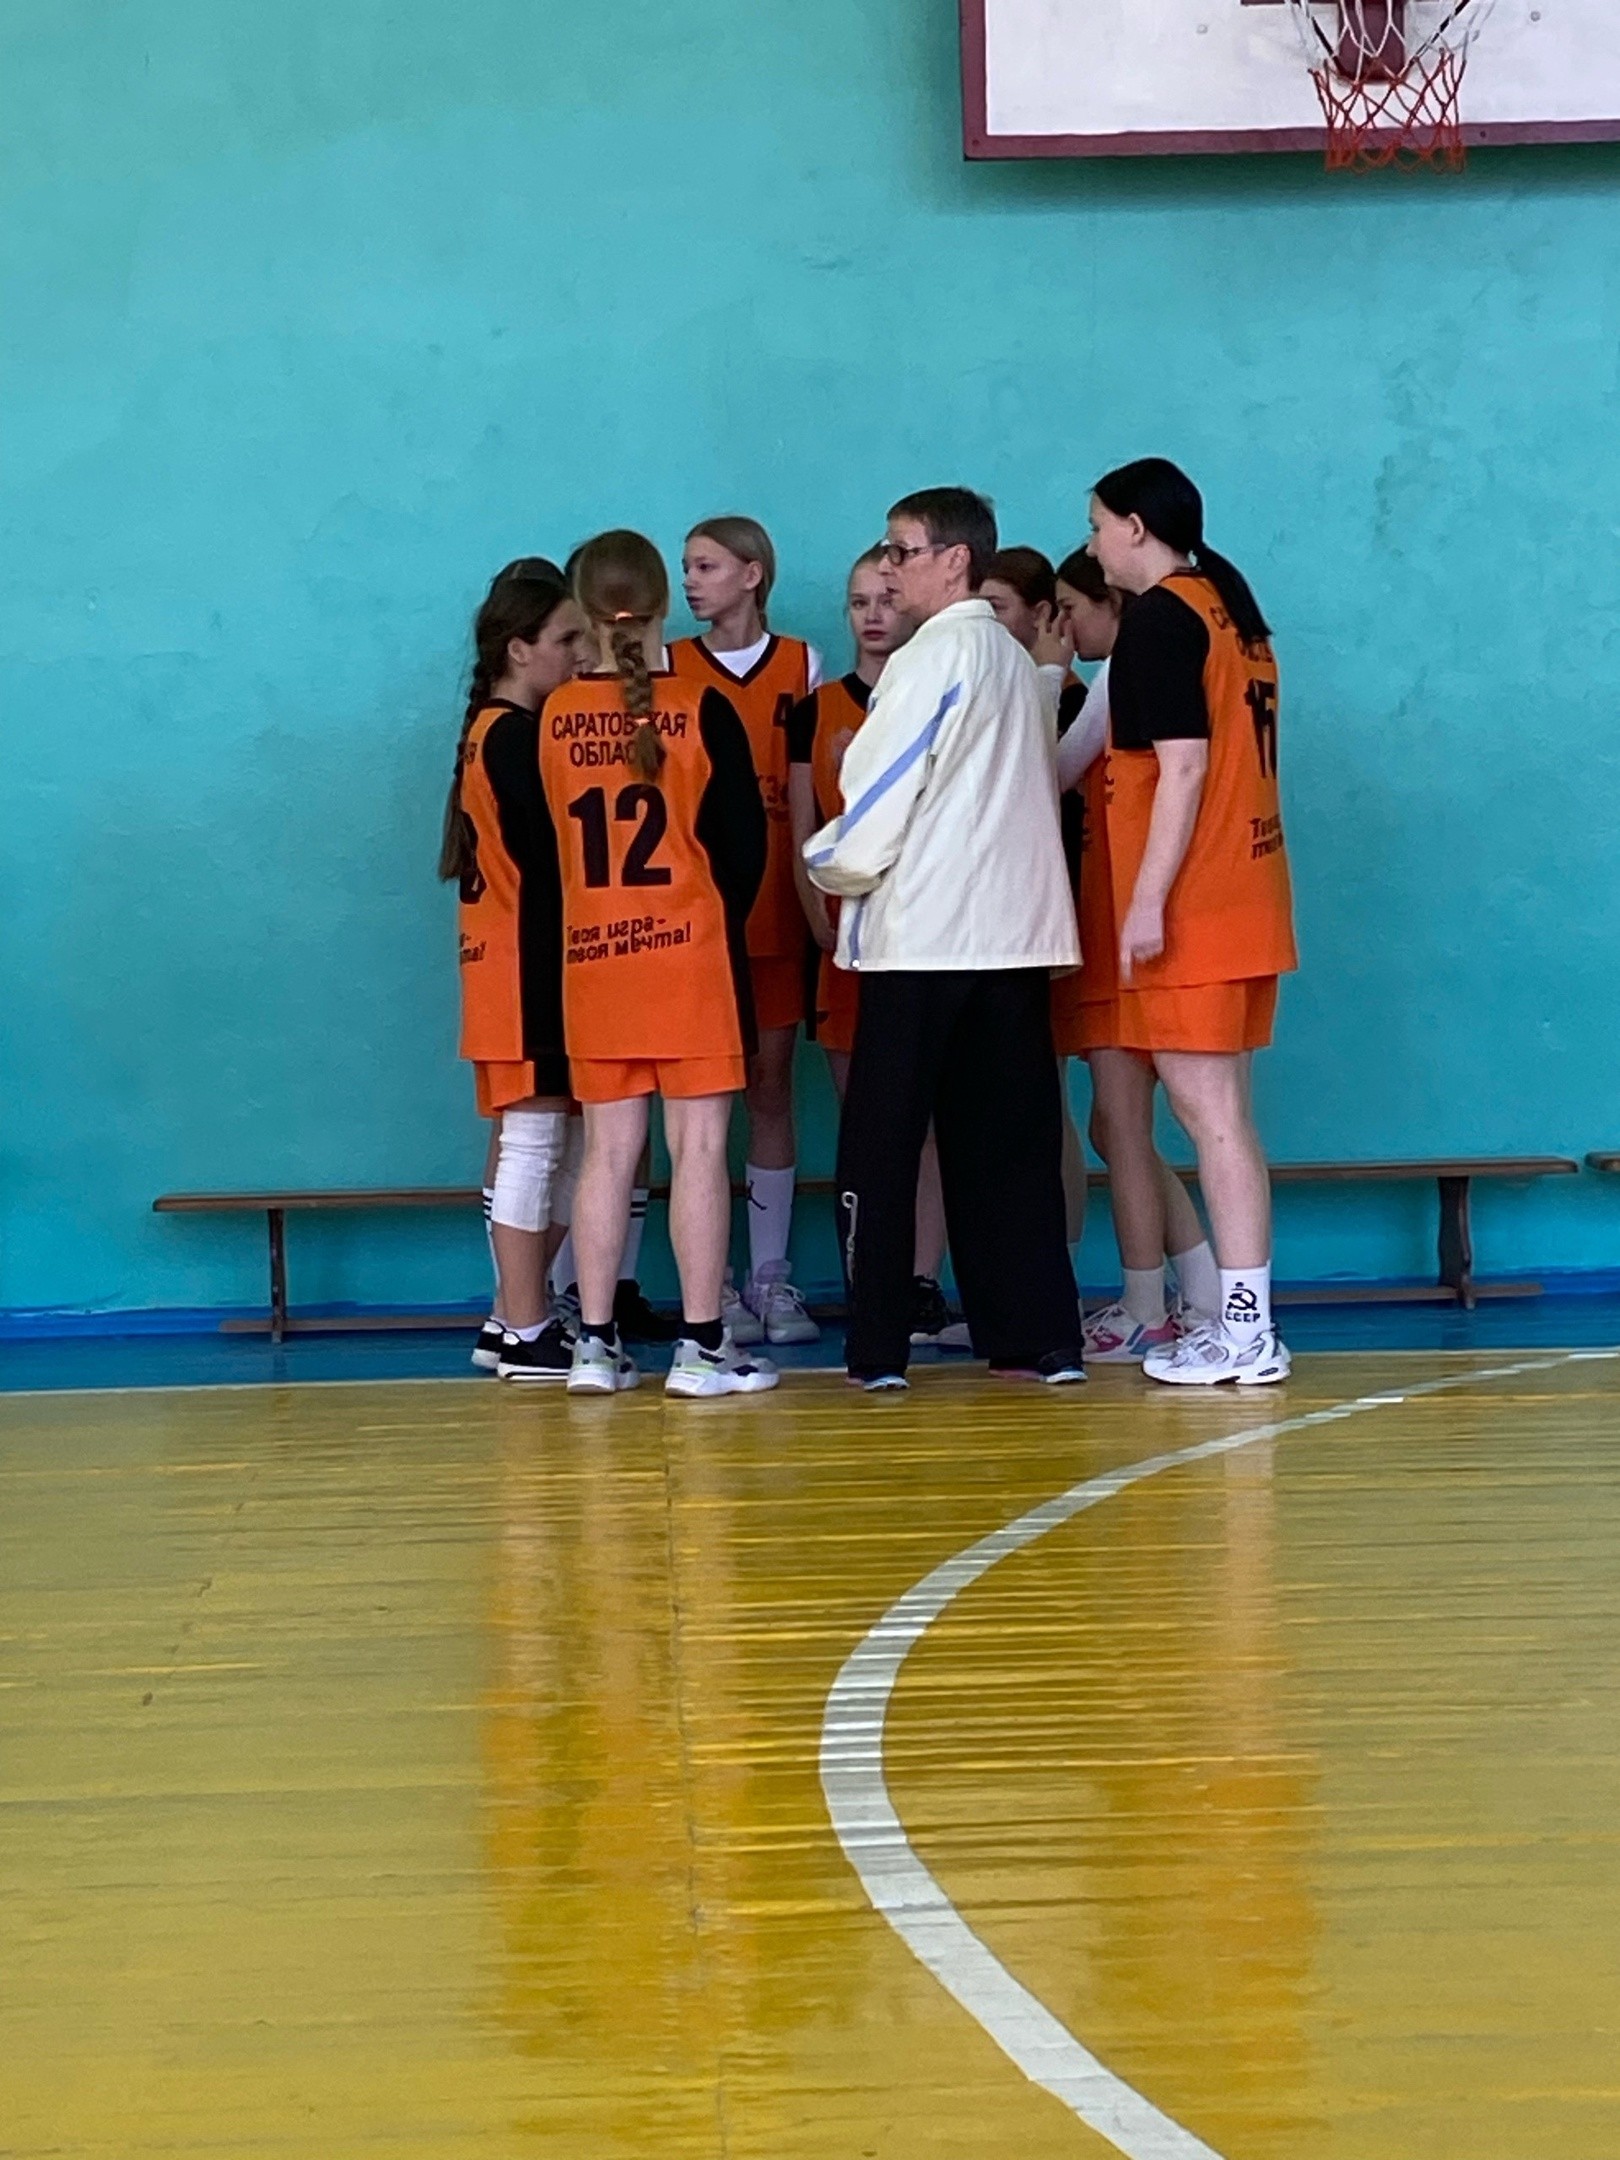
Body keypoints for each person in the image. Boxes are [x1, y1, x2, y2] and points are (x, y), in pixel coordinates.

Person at [805, 487, 1086, 1391]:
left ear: (955, 560)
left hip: (925, 940)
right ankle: (1037, 1339)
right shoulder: (1008, 655)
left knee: (883, 1146)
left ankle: (878, 1347)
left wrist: (826, 864)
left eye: (904, 550)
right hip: (1014, 941)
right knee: (1008, 1147)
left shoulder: (932, 657)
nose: (890, 568)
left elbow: (880, 789)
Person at [538, 528, 776, 1397]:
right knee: (700, 1152)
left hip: (595, 966)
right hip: (690, 964)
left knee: (606, 1157)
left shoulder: (555, 717)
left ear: (582, 611)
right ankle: (703, 1347)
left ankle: (594, 1346)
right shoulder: (703, 706)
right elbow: (744, 853)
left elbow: (547, 853)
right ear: (663, 604)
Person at [1086, 458, 1297, 1385]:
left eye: (1097, 524)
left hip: (1197, 907)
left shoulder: (1162, 619)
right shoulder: (1228, 613)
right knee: (1224, 1119)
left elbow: (1182, 768)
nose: (1093, 543)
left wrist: (1144, 901)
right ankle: (1242, 1321)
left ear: (1135, 527)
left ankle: (1245, 1331)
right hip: (1249, 896)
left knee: (1210, 1119)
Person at [786, 549, 966, 1352]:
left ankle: (921, 1282)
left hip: (924, 940)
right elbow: (802, 832)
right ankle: (872, 1283)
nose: (874, 614)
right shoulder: (817, 710)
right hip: (848, 941)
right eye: (859, 601)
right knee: (865, 1121)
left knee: (925, 1122)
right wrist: (817, 920)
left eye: (887, 598)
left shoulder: (933, 687)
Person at [1049, 548, 1223, 1362]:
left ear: (1108, 604)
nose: (1063, 626)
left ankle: (1150, 1303)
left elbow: (1053, 770)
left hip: (1130, 923)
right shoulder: (1126, 673)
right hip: (1113, 921)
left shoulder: (1122, 673)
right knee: (1117, 1124)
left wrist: (1044, 675)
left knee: (1126, 1121)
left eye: (1068, 609)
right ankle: (1202, 1290)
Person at [440, 559, 593, 1381]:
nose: (579, 655)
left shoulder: (493, 731)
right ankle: (527, 1323)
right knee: (535, 1144)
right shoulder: (514, 736)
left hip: (507, 964)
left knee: (550, 1145)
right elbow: (551, 860)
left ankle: (512, 1315)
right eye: (566, 639)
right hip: (526, 966)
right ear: (518, 648)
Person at [671, 517, 822, 1348]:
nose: (691, 581)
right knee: (701, 1110)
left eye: (706, 566)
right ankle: (712, 1283)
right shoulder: (669, 668)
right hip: (695, 921)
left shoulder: (803, 664)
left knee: (770, 1089)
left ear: (752, 573)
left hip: (776, 910)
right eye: (686, 567)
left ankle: (770, 1275)